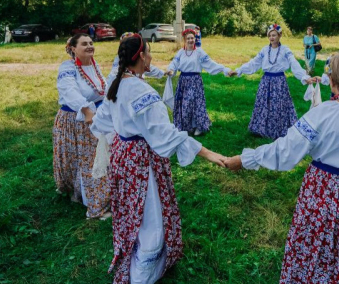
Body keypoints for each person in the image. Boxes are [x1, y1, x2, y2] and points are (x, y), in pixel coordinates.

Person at [224, 52, 339, 283]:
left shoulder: (321, 114)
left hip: (322, 192)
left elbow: (285, 151)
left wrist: (244, 159)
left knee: (317, 244)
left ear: (333, 81)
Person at [90, 34, 226, 284]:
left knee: (132, 211)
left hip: (124, 156)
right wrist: (207, 153)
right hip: (141, 162)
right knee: (150, 216)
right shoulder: (140, 90)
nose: (151, 57)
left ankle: (141, 264)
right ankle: (142, 275)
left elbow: (101, 121)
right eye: (149, 52)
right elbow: (164, 134)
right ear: (141, 56)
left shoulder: (117, 82)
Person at [53, 33, 111, 219]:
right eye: (84, 44)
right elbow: (69, 91)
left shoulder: (94, 66)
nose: (89, 46)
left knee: (97, 159)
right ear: (73, 48)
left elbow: (104, 89)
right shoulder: (68, 67)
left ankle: (96, 196)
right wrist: (86, 111)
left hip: (98, 118)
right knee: (86, 160)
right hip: (76, 120)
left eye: (91, 43)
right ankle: (94, 203)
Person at [228, 24, 315, 139]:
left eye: (274, 35)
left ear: (280, 35)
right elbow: (254, 63)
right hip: (266, 81)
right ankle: (261, 128)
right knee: (264, 103)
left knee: (278, 104)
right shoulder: (265, 50)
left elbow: (294, 63)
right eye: (270, 36)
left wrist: (304, 77)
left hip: (279, 82)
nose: (271, 38)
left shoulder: (285, 50)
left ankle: (278, 128)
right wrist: (239, 70)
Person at [165, 29, 231, 135]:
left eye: (192, 38)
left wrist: (224, 69)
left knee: (195, 104)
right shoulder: (181, 52)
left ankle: (199, 126)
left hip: (195, 81)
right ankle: (186, 126)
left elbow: (210, 63)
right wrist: (171, 70)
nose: (191, 40)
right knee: (185, 104)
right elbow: (174, 63)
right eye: (188, 38)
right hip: (183, 82)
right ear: (184, 40)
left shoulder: (199, 52)